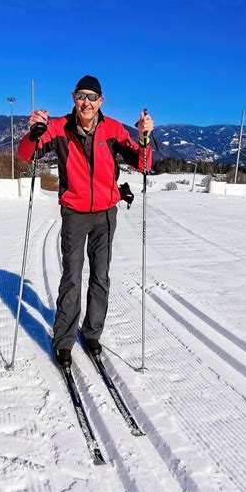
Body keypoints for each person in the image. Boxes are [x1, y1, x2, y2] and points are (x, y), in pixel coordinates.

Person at [18, 75, 154, 367]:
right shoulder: (57, 127)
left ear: (101, 101)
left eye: (93, 97)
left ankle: (92, 333)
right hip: (75, 213)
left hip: (106, 213)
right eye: (82, 96)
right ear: (73, 97)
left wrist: (144, 137)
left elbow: (143, 163)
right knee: (72, 276)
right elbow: (25, 155)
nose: (87, 102)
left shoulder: (113, 129)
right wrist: (34, 132)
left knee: (101, 276)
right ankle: (64, 340)